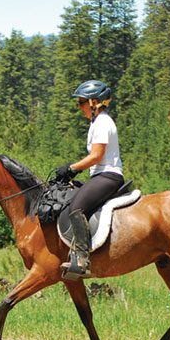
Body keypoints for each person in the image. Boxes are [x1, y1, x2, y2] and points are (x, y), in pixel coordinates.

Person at [55, 80, 124, 280]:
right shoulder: (97, 123)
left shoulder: (102, 123)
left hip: (108, 175)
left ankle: (82, 260)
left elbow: (96, 157)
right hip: (101, 175)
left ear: (95, 102)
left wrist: (72, 168)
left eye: (82, 102)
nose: (79, 107)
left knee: (77, 207)